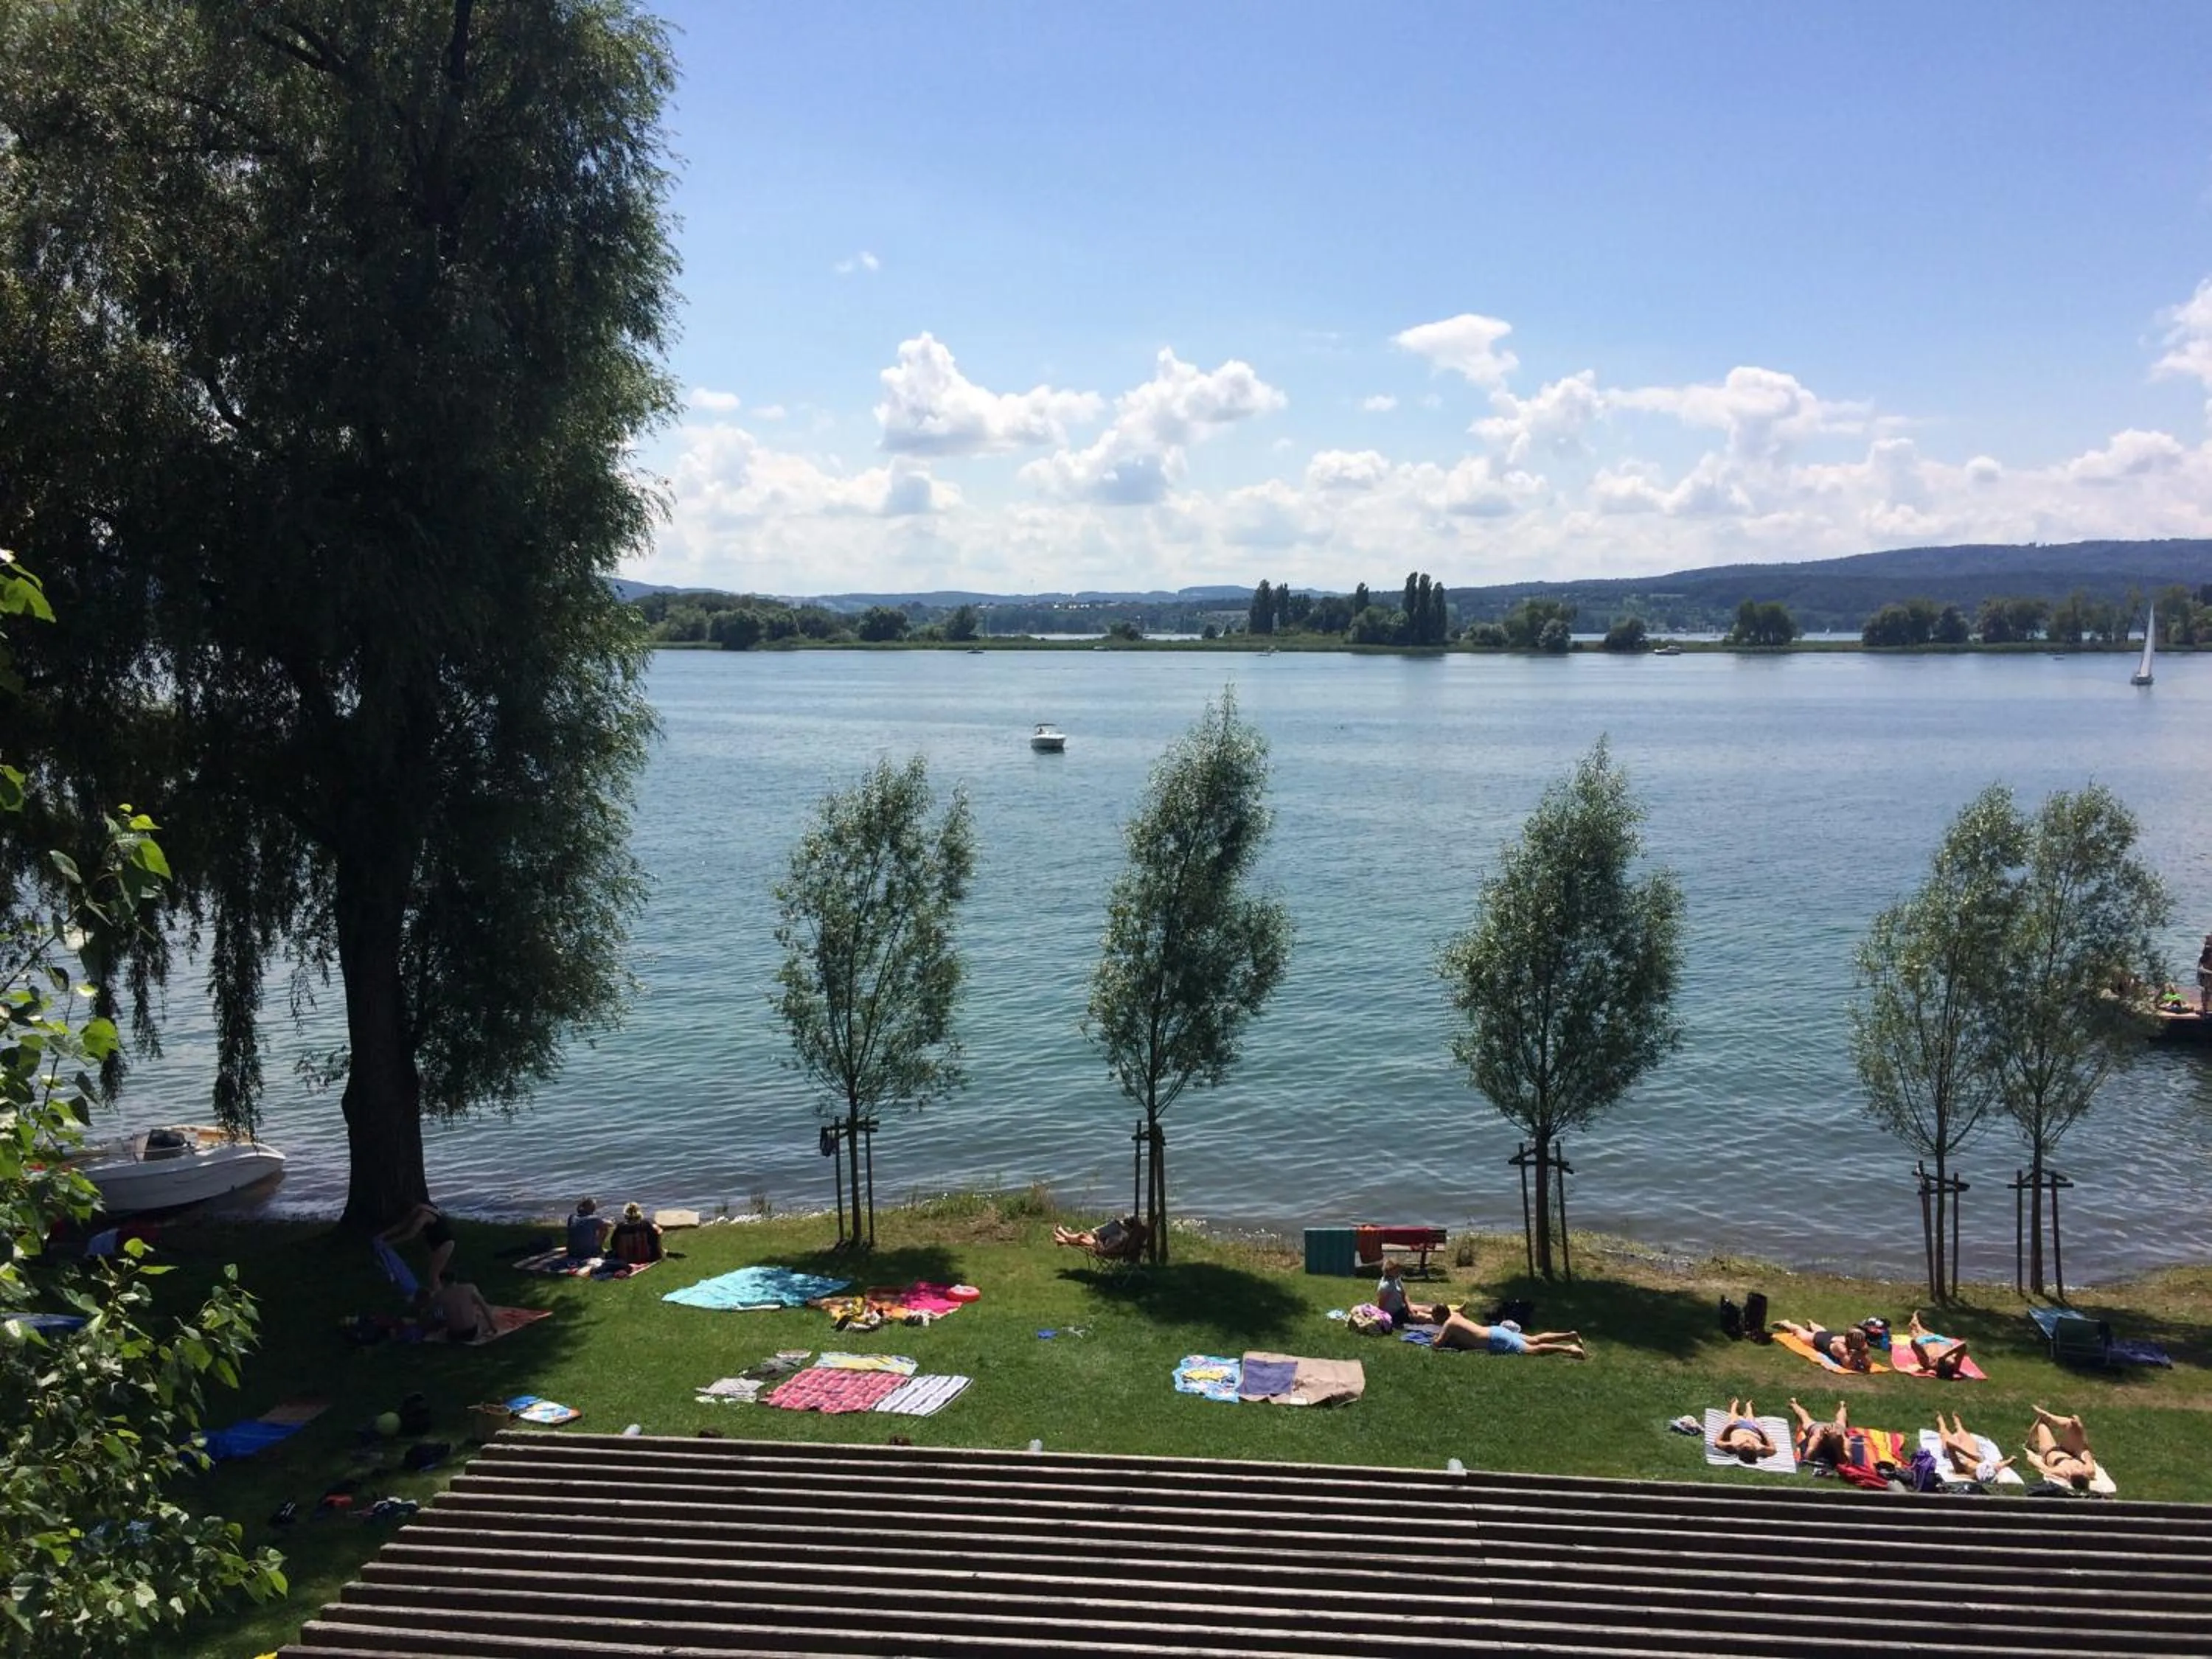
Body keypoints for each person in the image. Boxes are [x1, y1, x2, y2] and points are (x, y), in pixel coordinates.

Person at [1433, 1307, 1585, 1359]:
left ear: (1441, 1316)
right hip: (1496, 1330)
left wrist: (1435, 1338)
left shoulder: (1449, 1323)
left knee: (1531, 1350)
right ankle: (1569, 1335)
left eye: (1435, 1318)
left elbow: (1437, 1345)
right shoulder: (1455, 1315)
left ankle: (1568, 1349)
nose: (1434, 1321)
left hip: (1494, 1340)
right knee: (1535, 1339)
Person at [380, 1202, 456, 1293]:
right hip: (435, 1242)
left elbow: (411, 1234)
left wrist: (389, 1243)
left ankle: (440, 1298)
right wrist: (383, 1235)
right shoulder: (418, 1210)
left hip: (444, 1243)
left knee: (433, 1275)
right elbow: (402, 1225)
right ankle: (446, 1290)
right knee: (437, 1271)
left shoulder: (424, 1215)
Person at [2024, 1405, 2100, 1492]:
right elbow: (2086, 1452)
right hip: (2070, 1451)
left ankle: (2030, 1442)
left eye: (2075, 1471)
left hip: (2050, 1451)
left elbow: (2042, 1467)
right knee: (2071, 1424)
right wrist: (2080, 1435)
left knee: (2042, 1423)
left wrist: (2032, 1459)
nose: (2078, 1468)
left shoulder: (2061, 1472)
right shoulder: (2089, 1471)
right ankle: (2049, 1417)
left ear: (2069, 1477)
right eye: (2081, 1470)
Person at [1934, 1412, 2012, 1483]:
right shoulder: (1985, 1465)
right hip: (1970, 1451)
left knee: (1945, 1435)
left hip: (1958, 1451)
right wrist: (2010, 1460)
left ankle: (1941, 1424)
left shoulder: (1960, 1468)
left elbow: (1949, 1444)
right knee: (1965, 1437)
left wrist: (1971, 1456)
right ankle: (1958, 1426)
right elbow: (1998, 1466)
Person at [1775, 1318, 1871, 1371]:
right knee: (1800, 1332)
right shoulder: (1841, 1348)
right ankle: (1787, 1323)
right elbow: (1849, 1366)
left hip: (1829, 1335)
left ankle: (1812, 1324)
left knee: (1822, 1331)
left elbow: (1868, 1364)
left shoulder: (1862, 1345)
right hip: (1817, 1340)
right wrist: (1857, 1355)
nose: (1861, 1344)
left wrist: (1863, 1353)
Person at [422, 1279, 498, 1344]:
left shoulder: (439, 1295)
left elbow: (428, 1313)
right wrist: (493, 1328)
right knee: (483, 1320)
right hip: (472, 1333)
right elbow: (484, 1306)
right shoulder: (470, 1288)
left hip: (453, 1335)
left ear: (442, 1281)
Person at [1905, 1310, 1972, 1380]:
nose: (1951, 1361)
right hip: (1943, 1342)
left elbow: (1913, 1343)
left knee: (1917, 1332)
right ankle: (1917, 1323)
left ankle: (1915, 1323)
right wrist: (1945, 1355)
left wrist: (1924, 1354)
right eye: (1950, 1362)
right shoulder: (1955, 1366)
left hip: (1926, 1342)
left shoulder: (1928, 1364)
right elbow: (1963, 1345)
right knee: (1926, 1332)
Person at [1788, 1397, 1851, 1467]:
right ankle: (1794, 1404)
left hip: (1836, 1428)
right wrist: (1819, 1441)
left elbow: (1847, 1461)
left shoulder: (1844, 1440)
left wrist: (1837, 1445)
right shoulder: (1817, 1436)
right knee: (1804, 1418)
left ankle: (1843, 1407)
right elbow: (1808, 1456)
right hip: (1819, 1428)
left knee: (1841, 1419)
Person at [1716, 1399, 1775, 1463]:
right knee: (1751, 1417)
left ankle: (1734, 1404)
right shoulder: (1760, 1448)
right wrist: (1763, 1432)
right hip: (1753, 1429)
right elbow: (1773, 1450)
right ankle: (1748, 1405)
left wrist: (1728, 1427)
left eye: (1744, 1444)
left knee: (1733, 1417)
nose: (1747, 1441)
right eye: (1750, 1444)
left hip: (1736, 1427)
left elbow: (1717, 1443)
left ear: (1740, 1449)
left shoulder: (1734, 1445)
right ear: (1755, 1450)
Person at [607, 1201, 664, 1266]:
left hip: (625, 1259)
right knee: (656, 1229)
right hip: (646, 1257)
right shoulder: (645, 1225)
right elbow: (653, 1242)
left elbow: (614, 1244)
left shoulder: (620, 1227)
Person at [566, 1197, 609, 1263]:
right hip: (587, 1253)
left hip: (571, 1252)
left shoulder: (572, 1217)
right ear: (593, 1208)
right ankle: (599, 1248)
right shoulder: (594, 1218)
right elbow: (607, 1224)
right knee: (604, 1228)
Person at [1374, 1260, 1415, 1328]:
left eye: (1399, 1271)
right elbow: (1381, 1304)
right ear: (1389, 1271)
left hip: (1400, 1308)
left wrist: (1409, 1308)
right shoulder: (1386, 1286)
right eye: (1397, 1271)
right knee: (1420, 1315)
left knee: (1425, 1309)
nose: (1399, 1273)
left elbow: (1404, 1294)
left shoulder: (1396, 1279)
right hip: (1394, 1314)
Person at [2197, 933, 2212, 1016]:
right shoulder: (2203, 956)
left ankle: (2205, 1008)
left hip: (2207, 978)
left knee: (2206, 990)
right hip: (2206, 978)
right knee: (2205, 990)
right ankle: (2204, 1008)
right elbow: (2200, 969)